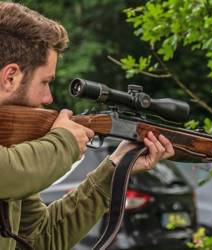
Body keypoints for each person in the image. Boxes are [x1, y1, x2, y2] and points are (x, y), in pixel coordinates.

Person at [0, 2, 175, 249]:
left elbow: (41, 238)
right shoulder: (14, 167)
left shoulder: (13, 147)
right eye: (45, 82)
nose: (48, 98)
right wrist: (65, 141)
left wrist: (114, 170)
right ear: (10, 77)